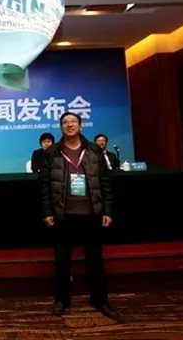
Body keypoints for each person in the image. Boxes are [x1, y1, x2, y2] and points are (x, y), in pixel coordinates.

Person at [40, 112, 118, 319]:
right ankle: (62, 300)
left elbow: (105, 182)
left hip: (91, 213)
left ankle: (100, 301)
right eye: (65, 122)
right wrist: (48, 212)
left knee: (95, 262)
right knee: (62, 261)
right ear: (61, 127)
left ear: (81, 126)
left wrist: (107, 210)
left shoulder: (93, 150)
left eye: (73, 121)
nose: (69, 125)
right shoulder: (52, 152)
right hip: (63, 214)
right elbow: (44, 185)